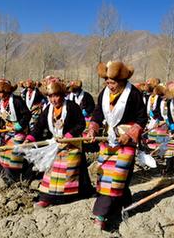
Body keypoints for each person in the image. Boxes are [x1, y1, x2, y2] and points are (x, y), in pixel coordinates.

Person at [87, 61, 147, 229]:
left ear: (121, 81)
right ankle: (123, 204)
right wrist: (93, 128)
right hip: (108, 141)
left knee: (117, 176)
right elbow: (98, 113)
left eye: (112, 82)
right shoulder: (104, 94)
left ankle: (101, 214)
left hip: (126, 142)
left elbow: (142, 118)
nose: (109, 85)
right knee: (106, 175)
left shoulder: (133, 94)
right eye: (107, 82)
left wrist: (129, 134)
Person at [25, 79, 93, 207]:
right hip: (56, 144)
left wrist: (68, 135)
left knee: (71, 173)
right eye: (50, 96)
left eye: (56, 96)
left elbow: (81, 124)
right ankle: (46, 198)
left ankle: (70, 197)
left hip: (72, 144)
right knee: (51, 171)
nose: (53, 100)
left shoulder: (72, 107)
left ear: (62, 95)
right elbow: (39, 126)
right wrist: (30, 138)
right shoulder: (48, 110)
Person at [0, 79, 32, 184]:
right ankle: (2, 174)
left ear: (7, 91)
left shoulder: (17, 101)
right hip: (7, 131)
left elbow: (27, 114)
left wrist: (19, 125)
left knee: (12, 154)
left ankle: (15, 176)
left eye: (1, 92)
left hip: (20, 131)